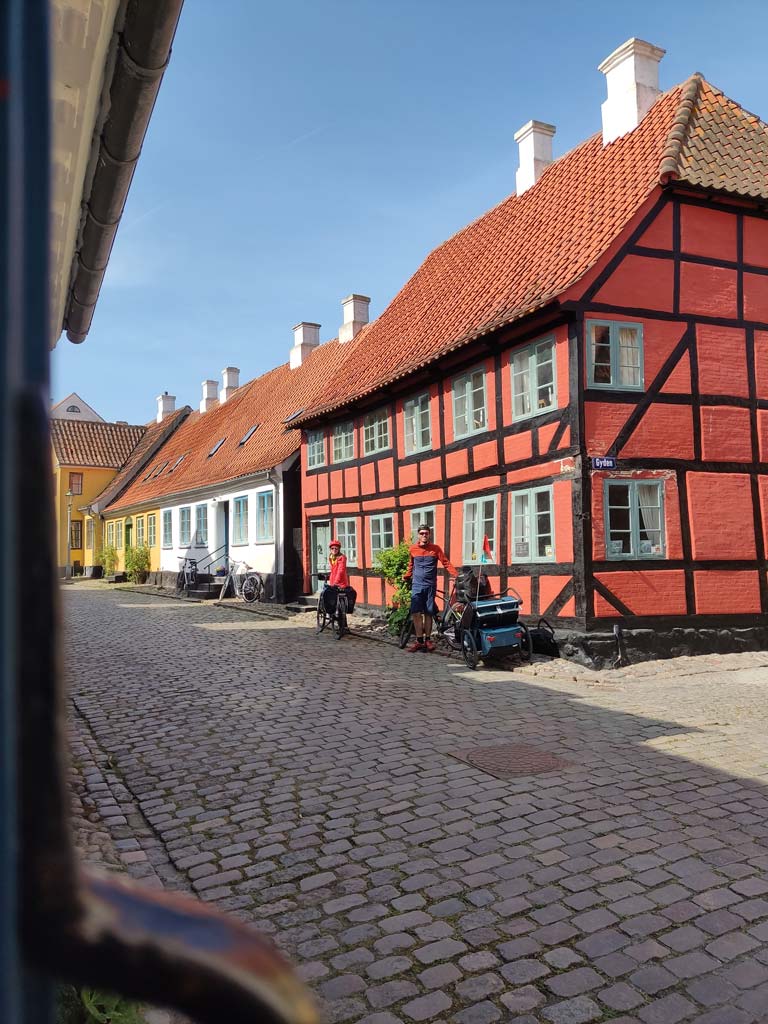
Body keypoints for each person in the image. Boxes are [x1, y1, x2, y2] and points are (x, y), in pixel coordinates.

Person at [403, 524, 457, 652]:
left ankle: (427, 639)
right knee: (416, 613)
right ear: (418, 535)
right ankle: (419, 640)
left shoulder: (435, 549)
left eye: (426, 533)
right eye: (421, 533)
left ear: (429, 534)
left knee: (428, 612)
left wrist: (456, 574)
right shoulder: (413, 549)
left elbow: (445, 562)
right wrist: (407, 575)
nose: (424, 535)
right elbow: (411, 565)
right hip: (417, 585)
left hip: (430, 585)